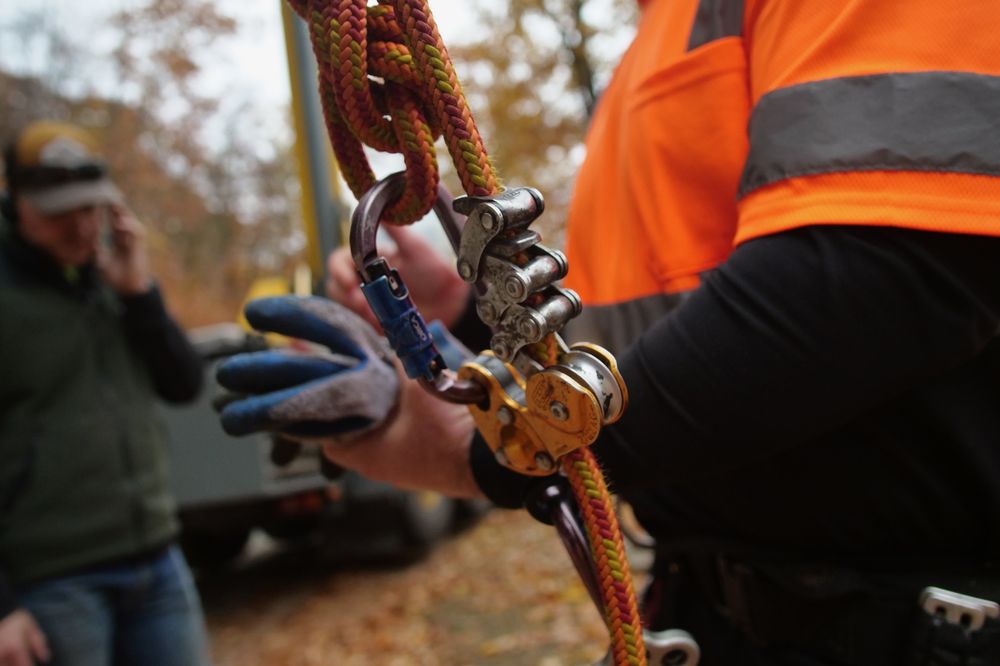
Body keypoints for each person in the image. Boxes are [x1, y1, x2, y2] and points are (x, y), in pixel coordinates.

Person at [220, 1, 1000, 663]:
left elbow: (885, 271)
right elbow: (651, 325)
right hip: (721, 616)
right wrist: (460, 314)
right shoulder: (657, 38)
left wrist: (501, 445)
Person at [0, 121, 210, 666]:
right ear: (15, 202)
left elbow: (184, 383)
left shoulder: (113, 281)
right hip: (53, 583)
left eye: (90, 208)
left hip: (159, 562)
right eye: (57, 212)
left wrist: (139, 295)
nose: (79, 227)